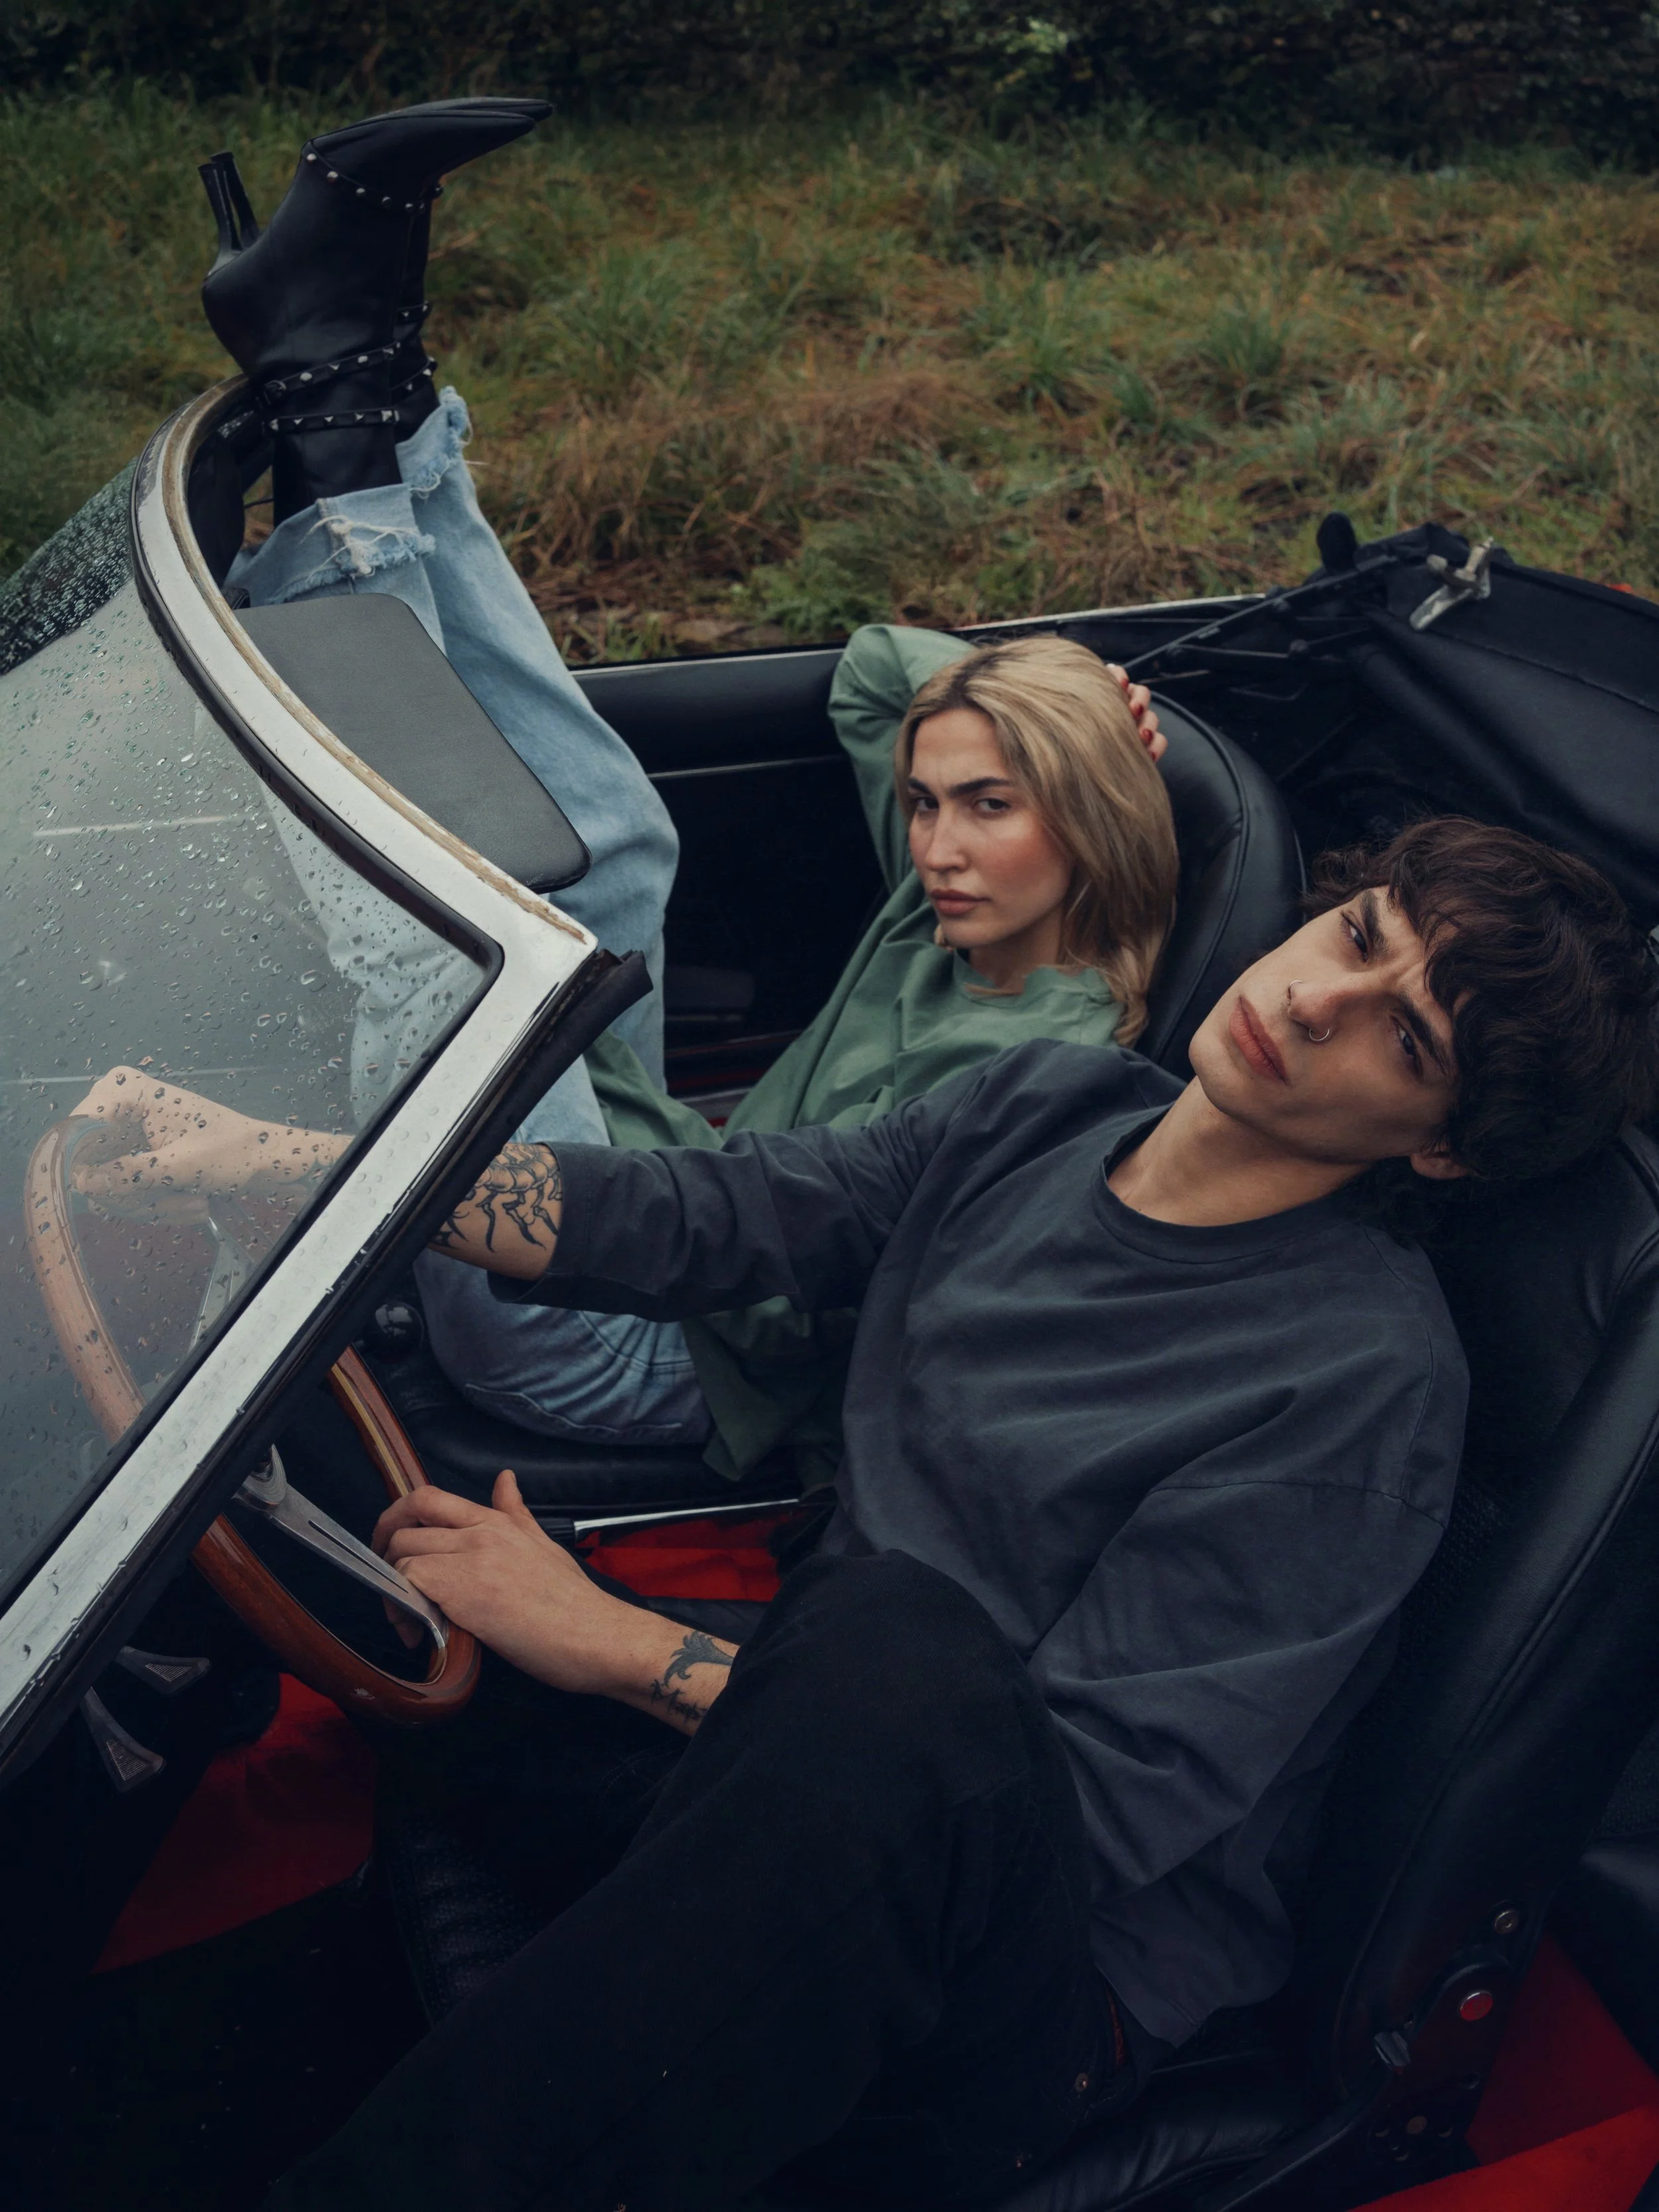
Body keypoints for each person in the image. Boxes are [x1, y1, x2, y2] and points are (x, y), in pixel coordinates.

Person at [70, 815, 1659, 2212]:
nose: (1314, 1001)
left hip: (1010, 1985)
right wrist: (292, 1169)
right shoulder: (1043, 1107)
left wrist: (621, 1645)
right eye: (1356, 939)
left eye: (1402, 1039)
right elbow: (707, 1211)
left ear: (1436, 1145)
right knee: (333, 1469)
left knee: (899, 1645)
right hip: (791, 1752)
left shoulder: (1358, 1393)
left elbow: (1075, 1804)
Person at [202, 102, 1178, 1484]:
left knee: (459, 951)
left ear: (1090, 822)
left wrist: (595, 1143)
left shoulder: (1042, 1071)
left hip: (642, 1336)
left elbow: (789, 1293)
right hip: (666, 1169)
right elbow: (873, 675)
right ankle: (376, 404)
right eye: (928, 803)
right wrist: (1055, 682)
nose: (938, 848)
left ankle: (330, 445)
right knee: (619, 850)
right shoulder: (959, 910)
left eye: (991, 807)